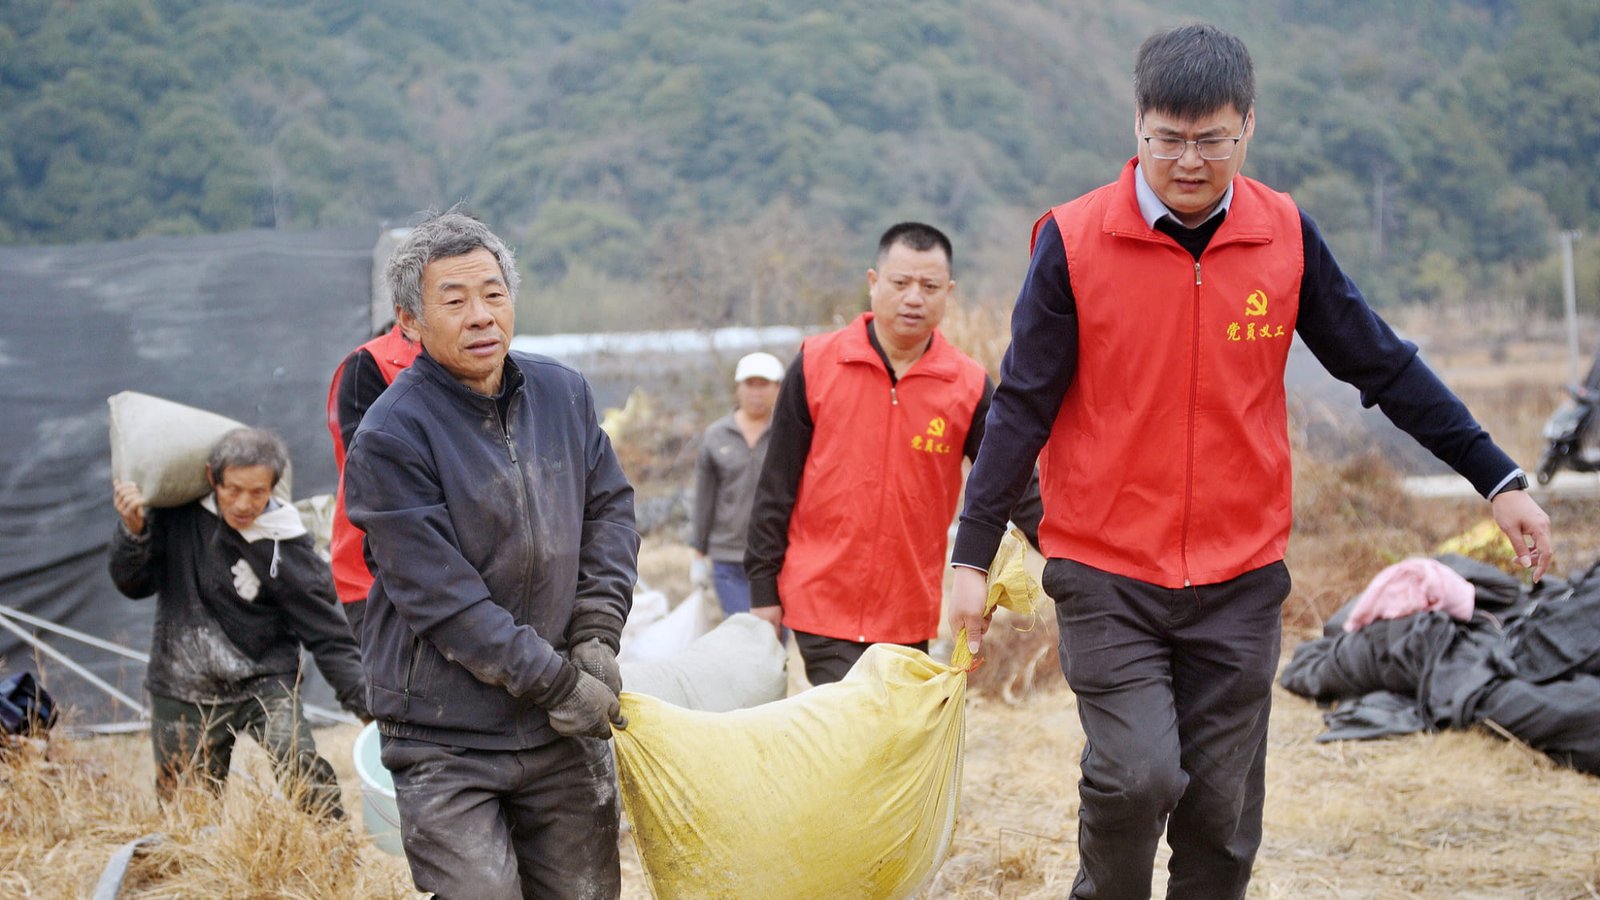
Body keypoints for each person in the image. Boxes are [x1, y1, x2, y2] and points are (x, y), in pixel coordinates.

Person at [946, 24, 1554, 899]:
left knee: (1223, 823)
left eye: (1211, 141)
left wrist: (1496, 477)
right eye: (1168, 140)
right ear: (1137, 129)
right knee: (1138, 776)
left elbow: (1378, 363)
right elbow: (1022, 406)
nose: (1188, 162)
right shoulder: (1073, 244)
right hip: (1108, 571)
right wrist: (972, 556)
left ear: (1248, 130)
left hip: (1239, 577)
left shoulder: (1283, 235)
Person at [342, 210, 638, 899]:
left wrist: (596, 634)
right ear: (409, 320)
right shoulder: (391, 435)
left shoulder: (563, 394)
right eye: (455, 300)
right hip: (445, 734)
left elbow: (610, 512)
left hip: (559, 729)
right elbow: (442, 599)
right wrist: (560, 684)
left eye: (494, 294)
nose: (481, 316)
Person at [745, 221, 1041, 686]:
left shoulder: (966, 386)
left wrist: (1069, 555)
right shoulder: (817, 364)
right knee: (849, 736)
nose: (913, 298)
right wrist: (763, 590)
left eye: (929, 286)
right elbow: (776, 486)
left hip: (906, 608)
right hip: (820, 600)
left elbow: (1011, 480)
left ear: (949, 292)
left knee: (889, 747)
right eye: (900, 283)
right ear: (873, 283)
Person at [108, 427, 369, 819]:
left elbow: (326, 633)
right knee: (187, 811)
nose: (244, 504)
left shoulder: (284, 540)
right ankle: (202, 876)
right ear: (213, 478)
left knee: (301, 769)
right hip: (183, 681)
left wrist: (366, 705)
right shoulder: (181, 518)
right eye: (233, 489)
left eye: (258, 492)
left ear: (274, 489)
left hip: (265, 678)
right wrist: (133, 533)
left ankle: (335, 863)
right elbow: (133, 584)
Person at [324, 319, 419, 641]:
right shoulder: (369, 364)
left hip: (453, 571)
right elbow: (372, 474)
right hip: (374, 572)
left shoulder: (488, 365)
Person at [689, 351, 784, 616]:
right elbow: (704, 499)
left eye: (763, 385)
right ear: (738, 388)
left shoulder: (787, 433)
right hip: (728, 556)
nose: (756, 393)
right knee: (743, 632)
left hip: (777, 555)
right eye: (749, 384)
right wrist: (698, 552)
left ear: (778, 388)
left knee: (774, 639)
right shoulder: (717, 436)